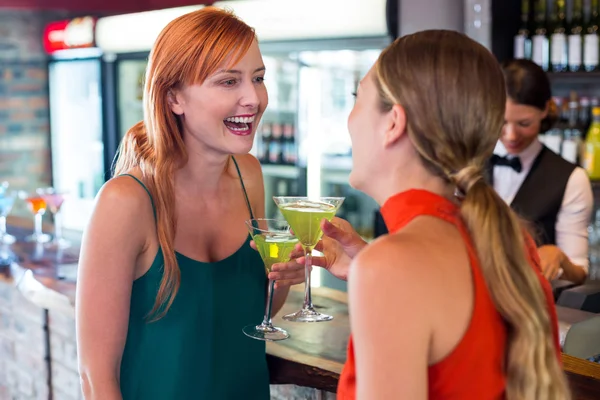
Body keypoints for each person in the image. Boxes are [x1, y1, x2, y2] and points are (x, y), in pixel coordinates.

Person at [271, 30, 570, 399]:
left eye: (356, 98)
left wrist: (378, 271)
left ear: (393, 122)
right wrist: (368, 266)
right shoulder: (507, 238)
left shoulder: (394, 266)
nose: (348, 119)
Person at [75, 7, 304, 400]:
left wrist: (285, 277)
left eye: (258, 78)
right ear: (174, 97)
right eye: (229, 81)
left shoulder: (249, 175)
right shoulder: (125, 202)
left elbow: (251, 314)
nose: (253, 98)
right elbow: (96, 378)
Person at [489, 58, 593, 285]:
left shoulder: (571, 179)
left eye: (524, 124)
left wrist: (560, 258)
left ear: (546, 109)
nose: (511, 135)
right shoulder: (469, 163)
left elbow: (579, 272)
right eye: (502, 122)